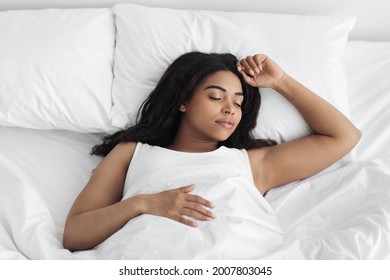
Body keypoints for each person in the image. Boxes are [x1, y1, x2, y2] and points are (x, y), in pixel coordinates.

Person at [62, 52, 361, 252]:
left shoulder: (250, 163)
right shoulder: (133, 153)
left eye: (239, 101)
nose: (230, 108)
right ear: (184, 101)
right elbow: (74, 235)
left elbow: (344, 136)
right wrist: (142, 204)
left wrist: (281, 82)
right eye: (216, 96)